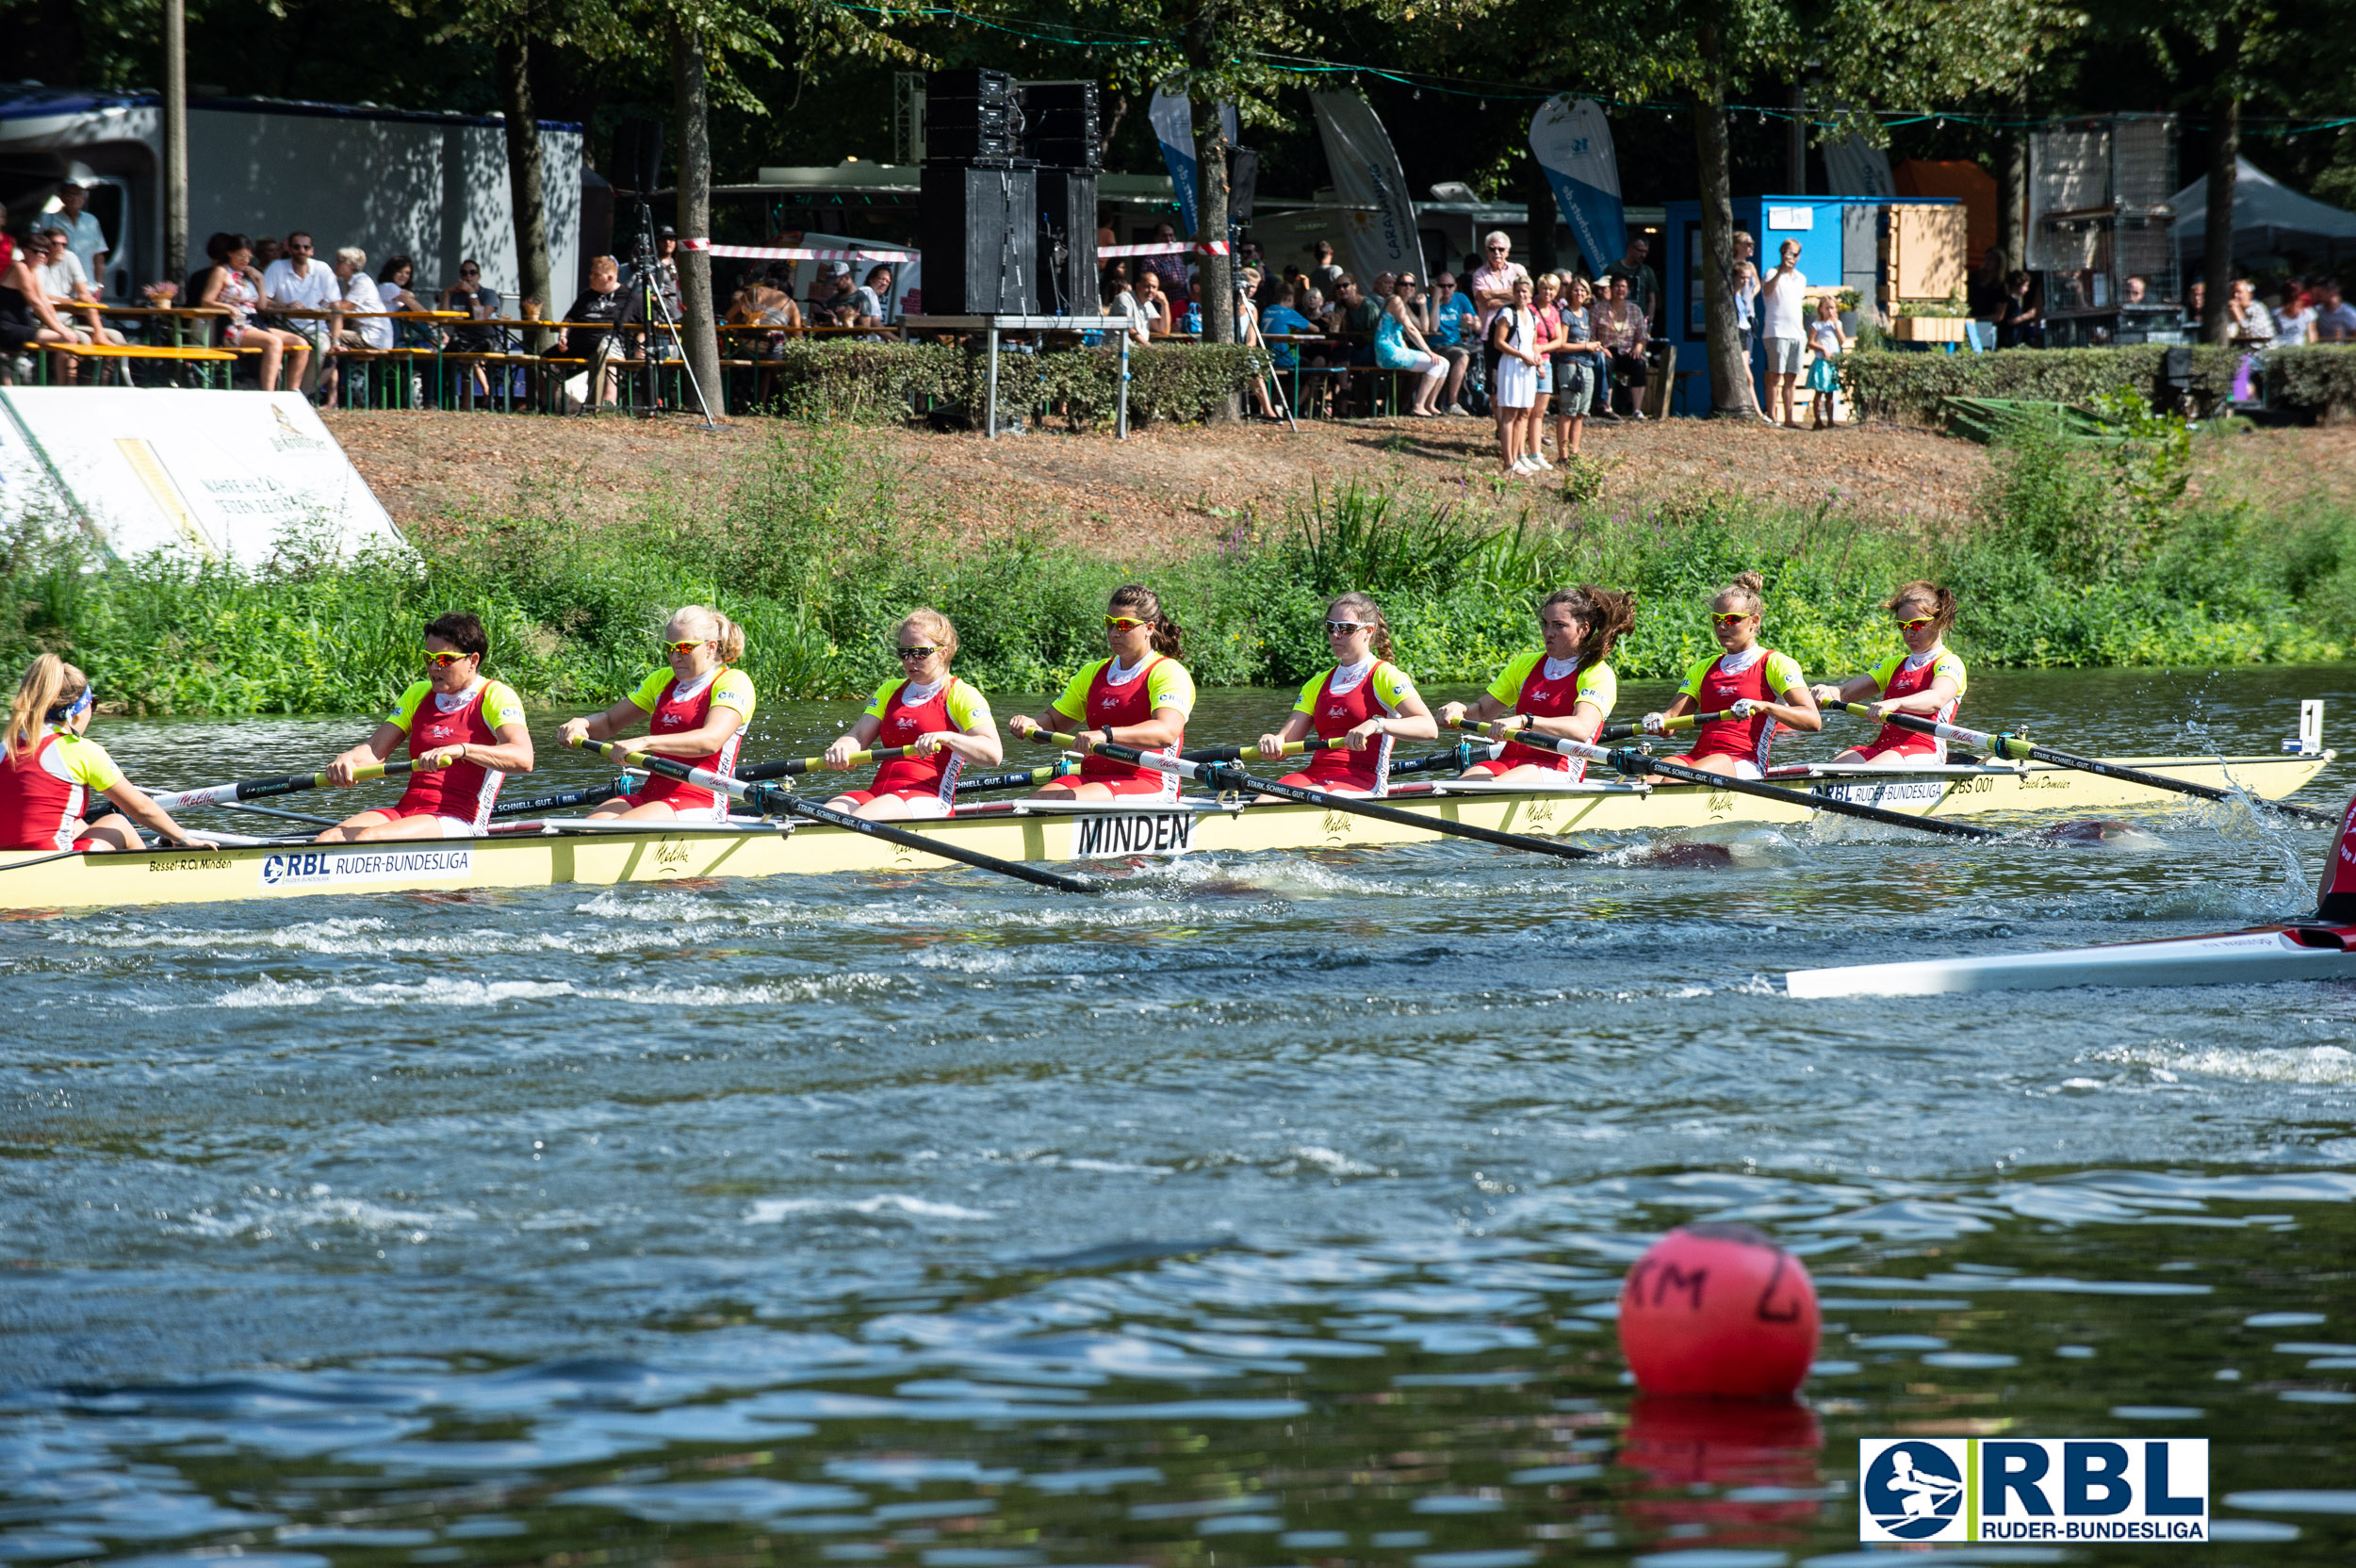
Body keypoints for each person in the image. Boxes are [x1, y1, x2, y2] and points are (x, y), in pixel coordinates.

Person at [317, 612, 532, 842]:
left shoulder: (495, 695)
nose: (433, 667)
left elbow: (523, 758)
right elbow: (374, 750)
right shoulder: (418, 693)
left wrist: (462, 749)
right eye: (428, 658)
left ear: (473, 661)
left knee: (370, 838)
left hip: (459, 818)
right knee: (329, 839)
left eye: (443, 660)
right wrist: (347, 761)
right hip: (407, 810)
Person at [0, 655, 214, 854]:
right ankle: (151, 878)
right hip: (50, 860)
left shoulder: (4, 748)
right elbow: (142, 808)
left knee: (76, 823)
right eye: (93, 703)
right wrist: (184, 838)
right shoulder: (81, 750)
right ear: (76, 712)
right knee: (119, 823)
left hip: (9, 860)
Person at [560, 607, 757, 822]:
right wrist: (583, 724)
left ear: (711, 647)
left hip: (702, 800)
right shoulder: (662, 680)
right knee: (585, 828)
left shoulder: (733, 682)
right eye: (669, 648)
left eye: (683, 648)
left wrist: (645, 742)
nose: (674, 657)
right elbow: (608, 722)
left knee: (611, 830)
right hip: (651, 795)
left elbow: (711, 740)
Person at [1007, 584, 1194, 802]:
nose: (1114, 633)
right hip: (1093, 775)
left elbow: (1166, 732)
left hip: (1150, 779)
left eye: (1124, 626)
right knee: (1035, 802)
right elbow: (1053, 724)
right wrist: (1032, 724)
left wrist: (1106, 735)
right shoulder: (1092, 672)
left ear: (1149, 628)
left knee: (1060, 801)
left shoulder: (1168, 672)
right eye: (1110, 623)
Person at [1439, 586, 1636, 784]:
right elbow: (1482, 713)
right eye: (1545, 624)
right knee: (1461, 787)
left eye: (1559, 625)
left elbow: (1580, 729)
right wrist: (1460, 709)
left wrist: (1526, 721)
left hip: (1560, 766)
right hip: (1509, 760)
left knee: (1490, 788)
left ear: (1583, 629)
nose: (1549, 633)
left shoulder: (1598, 674)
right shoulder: (1526, 664)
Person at [820, 608, 1003, 821]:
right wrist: (841, 747)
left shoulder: (962, 694)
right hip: (878, 793)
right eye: (904, 653)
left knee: (861, 818)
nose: (910, 660)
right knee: (821, 816)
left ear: (943, 652)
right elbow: (859, 737)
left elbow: (993, 754)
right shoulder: (890, 690)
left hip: (929, 797)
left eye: (919, 652)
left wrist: (947, 737)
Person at [1641, 571, 1822, 779]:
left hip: (1744, 760)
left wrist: (1763, 706)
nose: (1722, 627)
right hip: (1698, 758)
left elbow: (1812, 720)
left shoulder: (1776, 663)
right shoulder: (1703, 667)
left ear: (1754, 621)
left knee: (1676, 777)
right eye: (1716, 620)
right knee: (1648, 776)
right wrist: (1658, 720)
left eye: (1731, 619)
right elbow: (1672, 721)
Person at [1253, 593, 1437, 797]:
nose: (1336, 635)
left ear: (1369, 631)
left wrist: (1376, 725)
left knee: (1298, 798)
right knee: (1264, 798)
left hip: (1362, 779)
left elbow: (1429, 728)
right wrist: (1273, 740)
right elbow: (1285, 745)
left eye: (1346, 628)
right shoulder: (1317, 683)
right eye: (1331, 627)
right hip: (1314, 775)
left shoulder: (1385, 675)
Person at [1808, 583, 1967, 766]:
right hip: (1883, 748)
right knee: (1831, 771)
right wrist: (1826, 690)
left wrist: (1895, 703)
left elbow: (1936, 699)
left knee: (1863, 773)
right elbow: (1843, 693)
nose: (1908, 634)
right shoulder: (1893, 664)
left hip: (1925, 750)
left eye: (1916, 625)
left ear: (1938, 621)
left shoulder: (1949, 662)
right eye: (1902, 626)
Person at [197, 233, 309, 392]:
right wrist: (227, 308)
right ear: (230, 253)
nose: (246, 260)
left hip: (254, 323)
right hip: (233, 326)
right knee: (273, 343)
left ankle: (292, 393)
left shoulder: (246, 274)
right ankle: (268, 394)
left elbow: (262, 306)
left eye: (249, 257)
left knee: (302, 344)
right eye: (241, 256)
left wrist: (260, 280)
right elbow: (206, 301)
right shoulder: (222, 272)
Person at [263, 231, 339, 392]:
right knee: (281, 345)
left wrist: (336, 341)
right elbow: (263, 301)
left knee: (322, 345)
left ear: (312, 250)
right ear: (289, 249)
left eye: (306, 247)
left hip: (315, 327)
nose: (302, 251)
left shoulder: (322, 269)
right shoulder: (276, 268)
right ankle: (285, 392)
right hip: (283, 325)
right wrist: (285, 306)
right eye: (297, 247)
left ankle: (302, 394)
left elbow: (336, 307)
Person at [1488, 276, 1543, 474]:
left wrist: (1537, 361)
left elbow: (1533, 343)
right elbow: (1499, 342)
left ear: (1530, 294)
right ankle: (1508, 461)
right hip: (1511, 364)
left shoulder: (1532, 315)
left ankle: (1518, 458)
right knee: (1509, 413)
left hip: (1527, 367)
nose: (1521, 295)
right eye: (1518, 291)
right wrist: (1520, 354)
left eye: (1525, 292)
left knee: (1524, 412)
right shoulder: (1507, 313)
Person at [1376, 272, 1448, 416]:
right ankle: (1418, 406)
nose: (1408, 287)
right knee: (1437, 363)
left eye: (1412, 284)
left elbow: (1423, 328)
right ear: (1397, 287)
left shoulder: (1404, 305)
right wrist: (1428, 351)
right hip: (1387, 352)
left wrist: (1422, 305)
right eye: (1404, 284)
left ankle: (1429, 404)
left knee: (1445, 363)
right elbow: (1410, 329)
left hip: (1396, 349)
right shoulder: (1395, 301)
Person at [560, 255, 627, 409]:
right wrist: (563, 335)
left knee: (608, 356)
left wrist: (639, 347)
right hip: (577, 346)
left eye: (595, 274)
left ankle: (608, 404)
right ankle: (547, 404)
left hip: (609, 348)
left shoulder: (629, 297)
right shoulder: (585, 296)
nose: (590, 277)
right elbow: (569, 319)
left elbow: (645, 325)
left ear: (609, 277)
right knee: (543, 359)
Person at [1550, 275, 1602, 458]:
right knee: (1568, 411)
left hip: (1587, 365)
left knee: (1581, 412)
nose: (1579, 293)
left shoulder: (1585, 313)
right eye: (1576, 290)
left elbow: (1585, 340)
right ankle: (1562, 455)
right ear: (1570, 292)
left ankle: (1575, 451)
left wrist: (1595, 346)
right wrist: (1585, 346)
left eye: (1583, 290)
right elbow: (1561, 345)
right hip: (1571, 366)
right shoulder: (1566, 314)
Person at [1759, 238, 1808, 428]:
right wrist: (1781, 271)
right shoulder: (1771, 273)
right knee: (1775, 375)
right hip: (1776, 331)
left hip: (1797, 333)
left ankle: (1789, 418)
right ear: (1781, 254)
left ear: (1798, 256)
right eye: (1786, 253)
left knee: (1791, 377)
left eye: (1794, 254)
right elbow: (1768, 291)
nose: (1790, 257)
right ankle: (1773, 416)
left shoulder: (1801, 278)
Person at [1597, 274, 1649, 420]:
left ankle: (1637, 409)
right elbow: (1591, 333)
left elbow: (1642, 335)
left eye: (1623, 287)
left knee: (1639, 364)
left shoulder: (1635, 310)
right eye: (1616, 286)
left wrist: (1638, 347)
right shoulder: (1599, 309)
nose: (1620, 289)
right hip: (1607, 349)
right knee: (1605, 363)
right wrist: (1600, 348)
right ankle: (1607, 407)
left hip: (1627, 351)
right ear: (1611, 288)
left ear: (1628, 290)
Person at [1424, 271, 1479, 413]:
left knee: (1479, 352)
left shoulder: (1461, 298)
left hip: (1456, 343)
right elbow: (1433, 327)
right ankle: (1453, 403)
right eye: (1442, 286)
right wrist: (1436, 300)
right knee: (1462, 355)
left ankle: (1478, 399)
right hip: (1437, 346)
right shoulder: (1429, 301)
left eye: (1450, 286)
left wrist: (1472, 322)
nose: (1446, 289)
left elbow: (1478, 325)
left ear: (1455, 287)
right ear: (1436, 286)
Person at [1470, 231, 1530, 332]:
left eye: (1501, 249)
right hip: (1491, 331)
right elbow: (1486, 301)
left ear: (1507, 252)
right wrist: (1515, 296)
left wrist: (1492, 294)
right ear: (1486, 251)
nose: (1496, 252)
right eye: (1492, 249)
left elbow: (1528, 297)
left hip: (1517, 329)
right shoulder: (1479, 274)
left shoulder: (1518, 270)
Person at [1804, 292, 1846, 430]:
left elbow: (1842, 341)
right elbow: (1810, 342)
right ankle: (1817, 420)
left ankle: (1830, 421)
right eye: (1827, 308)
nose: (1830, 311)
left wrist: (1837, 327)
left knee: (1830, 393)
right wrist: (1822, 349)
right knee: (1819, 392)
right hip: (1822, 362)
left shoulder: (1837, 324)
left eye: (1832, 308)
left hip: (1832, 363)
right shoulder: (1817, 325)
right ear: (1821, 309)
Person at [49, 182, 108, 279]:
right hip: (58, 286)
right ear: (61, 197)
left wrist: (99, 285)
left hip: (88, 286)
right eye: (70, 194)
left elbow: (98, 255)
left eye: (79, 194)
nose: (75, 198)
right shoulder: (49, 220)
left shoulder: (91, 221)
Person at [1600, 234, 1661, 325]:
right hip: (1615, 319)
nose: (1643, 255)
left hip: (1638, 321)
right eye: (1640, 251)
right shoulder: (1613, 268)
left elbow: (1652, 299)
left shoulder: (1647, 271)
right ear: (1629, 248)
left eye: (1646, 252)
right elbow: (1605, 293)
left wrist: (1649, 321)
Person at [1996, 270, 2041, 349]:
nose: (2027, 289)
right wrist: (2027, 316)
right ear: (2017, 285)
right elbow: (2011, 320)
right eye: (2025, 286)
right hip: (2009, 340)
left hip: (2014, 338)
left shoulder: (2014, 301)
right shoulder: (2010, 301)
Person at [2315, 278, 2356, 342]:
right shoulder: (2317, 311)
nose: (2317, 296)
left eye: (2319, 294)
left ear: (2331, 292)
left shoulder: (2350, 313)